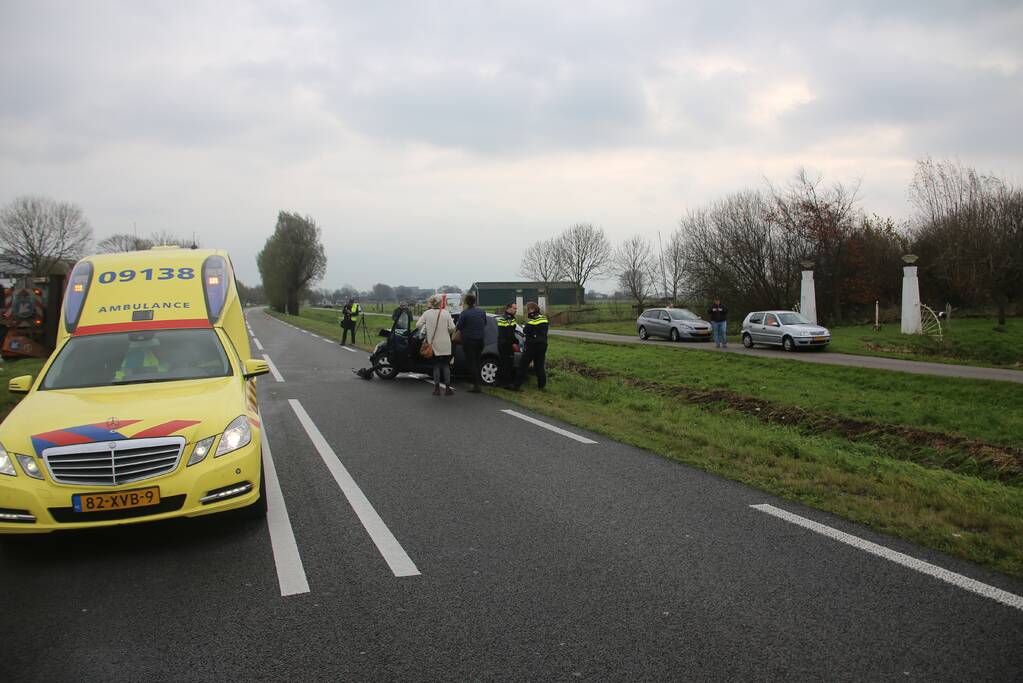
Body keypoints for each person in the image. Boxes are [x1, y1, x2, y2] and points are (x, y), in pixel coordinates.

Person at [418, 295, 455, 396]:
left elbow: (418, 325)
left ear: (431, 303)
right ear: (440, 303)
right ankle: (447, 388)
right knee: (446, 366)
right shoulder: (446, 313)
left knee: (436, 366)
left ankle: (437, 389)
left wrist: (427, 327)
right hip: (446, 344)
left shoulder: (426, 314)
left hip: (433, 344)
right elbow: (452, 328)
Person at [511, 301, 548, 391]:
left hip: (532, 346)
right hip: (543, 345)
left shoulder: (532, 320)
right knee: (539, 366)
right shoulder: (544, 318)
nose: (527, 311)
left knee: (523, 366)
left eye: (528, 309)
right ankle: (541, 386)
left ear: (532, 309)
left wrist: (527, 324)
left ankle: (516, 386)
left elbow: (526, 330)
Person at [455, 293, 487, 393]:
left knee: (471, 362)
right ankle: (478, 383)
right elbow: (485, 323)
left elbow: (459, 327)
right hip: (480, 340)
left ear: (466, 302)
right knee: (477, 361)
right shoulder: (482, 312)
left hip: (469, 340)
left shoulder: (465, 313)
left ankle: (476, 385)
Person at [496, 301, 518, 388]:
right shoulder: (508, 318)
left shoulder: (505, 317)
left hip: (502, 343)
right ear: (509, 308)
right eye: (514, 308)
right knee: (507, 364)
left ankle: (498, 382)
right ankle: (506, 384)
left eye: (516, 308)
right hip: (506, 344)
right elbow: (509, 334)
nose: (516, 310)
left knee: (502, 363)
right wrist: (514, 343)